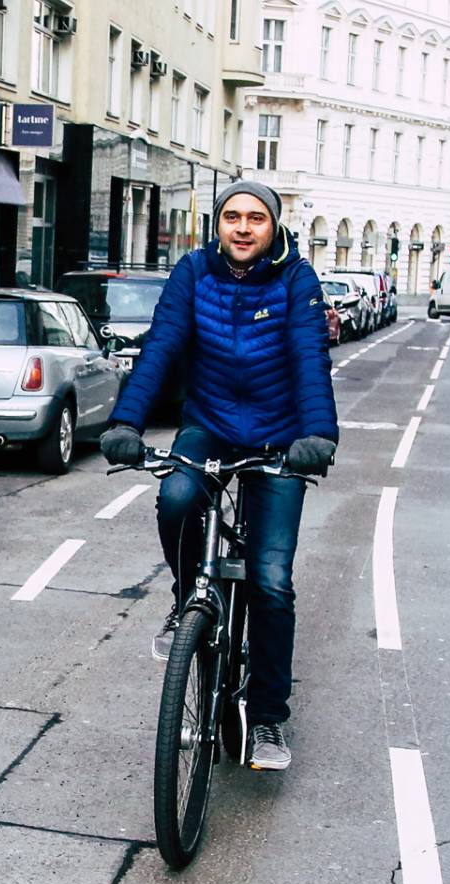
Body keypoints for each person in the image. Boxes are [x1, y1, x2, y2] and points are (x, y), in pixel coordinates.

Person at [99, 181, 338, 772]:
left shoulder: (296, 280)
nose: (242, 227)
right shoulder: (192, 272)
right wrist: (126, 420)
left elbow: (311, 358)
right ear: (218, 224)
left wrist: (319, 436)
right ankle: (189, 601)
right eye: (232, 216)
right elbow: (162, 346)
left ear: (273, 226)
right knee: (176, 497)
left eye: (256, 218)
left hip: (280, 435)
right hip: (207, 424)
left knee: (270, 579)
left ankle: (267, 720)